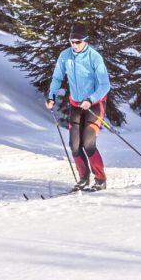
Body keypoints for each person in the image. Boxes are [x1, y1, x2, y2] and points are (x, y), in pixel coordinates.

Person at [46, 22, 111, 190]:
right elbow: (57, 78)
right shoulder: (65, 55)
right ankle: (83, 178)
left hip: (94, 105)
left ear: (85, 40)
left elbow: (105, 85)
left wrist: (91, 99)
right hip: (75, 105)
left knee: (88, 143)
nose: (74, 45)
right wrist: (51, 95)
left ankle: (100, 179)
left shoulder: (94, 57)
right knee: (74, 145)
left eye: (78, 42)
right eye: (72, 41)